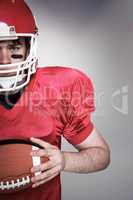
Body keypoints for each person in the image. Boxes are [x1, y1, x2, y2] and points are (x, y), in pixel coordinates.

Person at [0, 0, 110, 199]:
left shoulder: (55, 91)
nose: (5, 60)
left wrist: (65, 160)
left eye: (14, 48)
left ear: (28, 47)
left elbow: (101, 154)